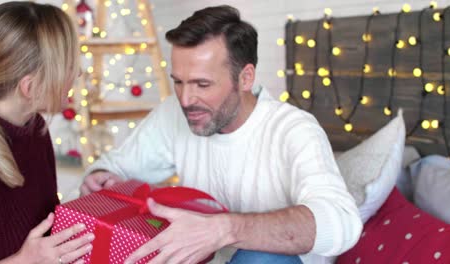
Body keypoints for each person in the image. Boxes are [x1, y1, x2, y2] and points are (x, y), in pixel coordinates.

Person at [81, 5, 362, 264]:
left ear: (245, 78)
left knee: (260, 257)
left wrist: (224, 229)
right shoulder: (175, 114)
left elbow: (342, 223)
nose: (186, 98)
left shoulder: (293, 129)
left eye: (202, 84)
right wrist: (102, 176)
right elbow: (116, 166)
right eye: (178, 82)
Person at [0, 2, 94, 264]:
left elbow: (42, 224)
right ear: (29, 87)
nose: (78, 73)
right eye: (68, 66)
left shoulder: (36, 128)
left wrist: (83, 212)